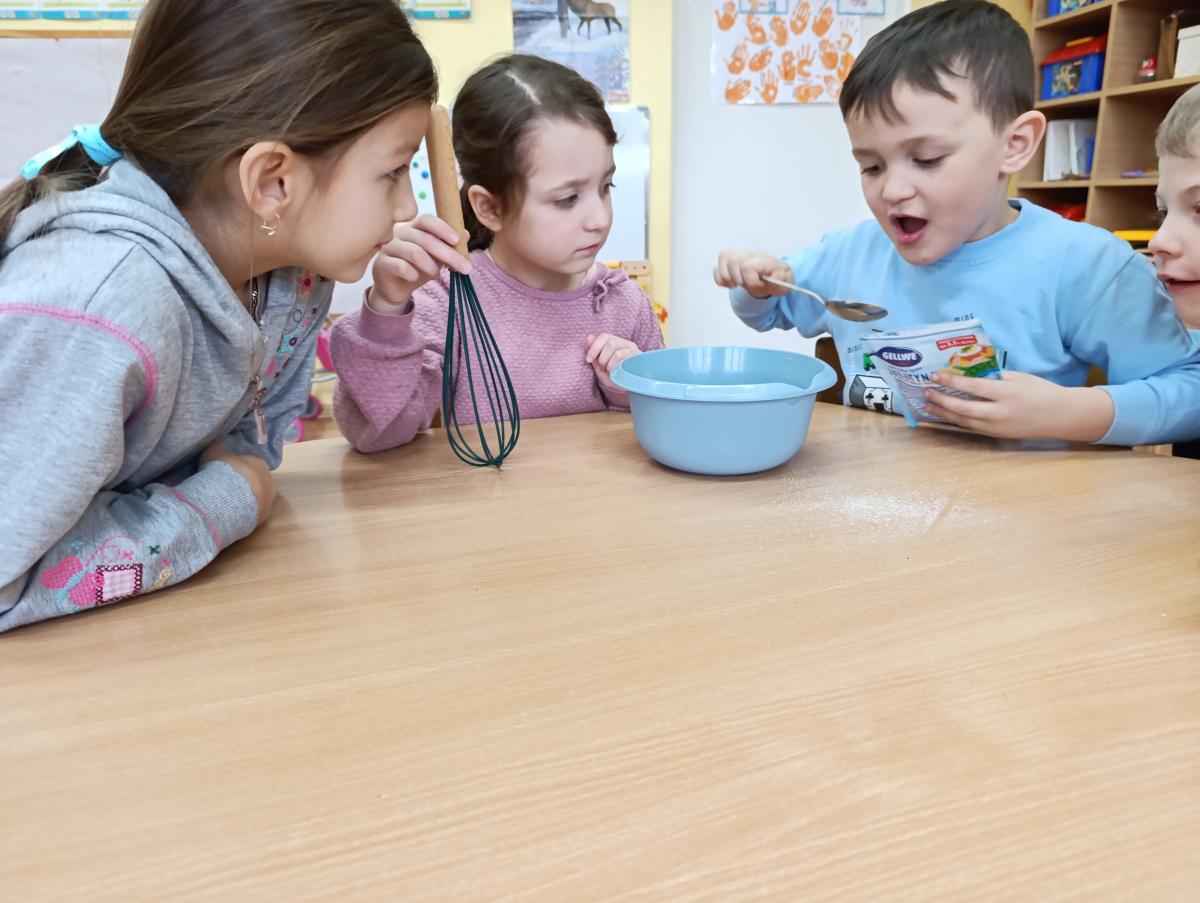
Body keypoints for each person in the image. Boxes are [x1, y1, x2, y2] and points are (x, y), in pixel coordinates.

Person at [0, 0, 445, 631]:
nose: (406, 207)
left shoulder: (293, 273)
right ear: (271, 182)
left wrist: (230, 486)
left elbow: (245, 450)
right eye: (394, 171)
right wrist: (226, 503)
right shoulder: (99, 307)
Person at [714, 0, 1200, 446]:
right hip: (868, 496)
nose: (892, 190)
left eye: (926, 159)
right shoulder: (851, 254)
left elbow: (1190, 391)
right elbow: (770, 311)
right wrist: (755, 284)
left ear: (1014, 145)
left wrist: (1070, 413)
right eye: (872, 166)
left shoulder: (1088, 266)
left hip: (1024, 506)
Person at [330, 54, 664, 453]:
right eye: (567, 198)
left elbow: (664, 428)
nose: (599, 218)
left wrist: (631, 391)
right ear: (490, 208)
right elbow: (378, 434)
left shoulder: (625, 305)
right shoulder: (446, 300)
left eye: (606, 187)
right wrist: (387, 309)